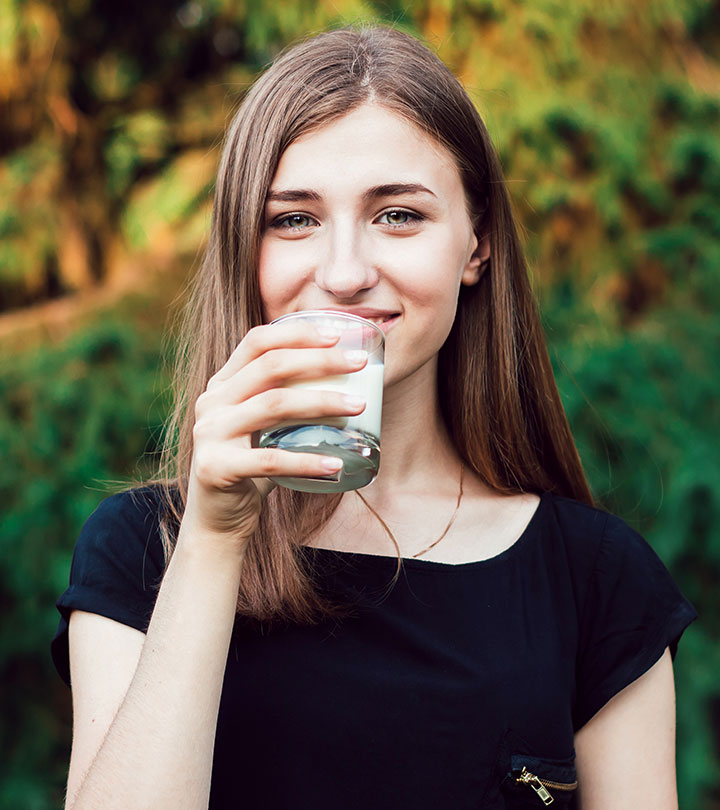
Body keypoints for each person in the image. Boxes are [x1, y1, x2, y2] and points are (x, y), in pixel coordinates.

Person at [51, 24, 696, 810]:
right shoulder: (143, 550)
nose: (345, 272)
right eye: (293, 219)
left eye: (398, 215)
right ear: (244, 251)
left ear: (477, 244)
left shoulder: (597, 581)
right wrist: (215, 539)